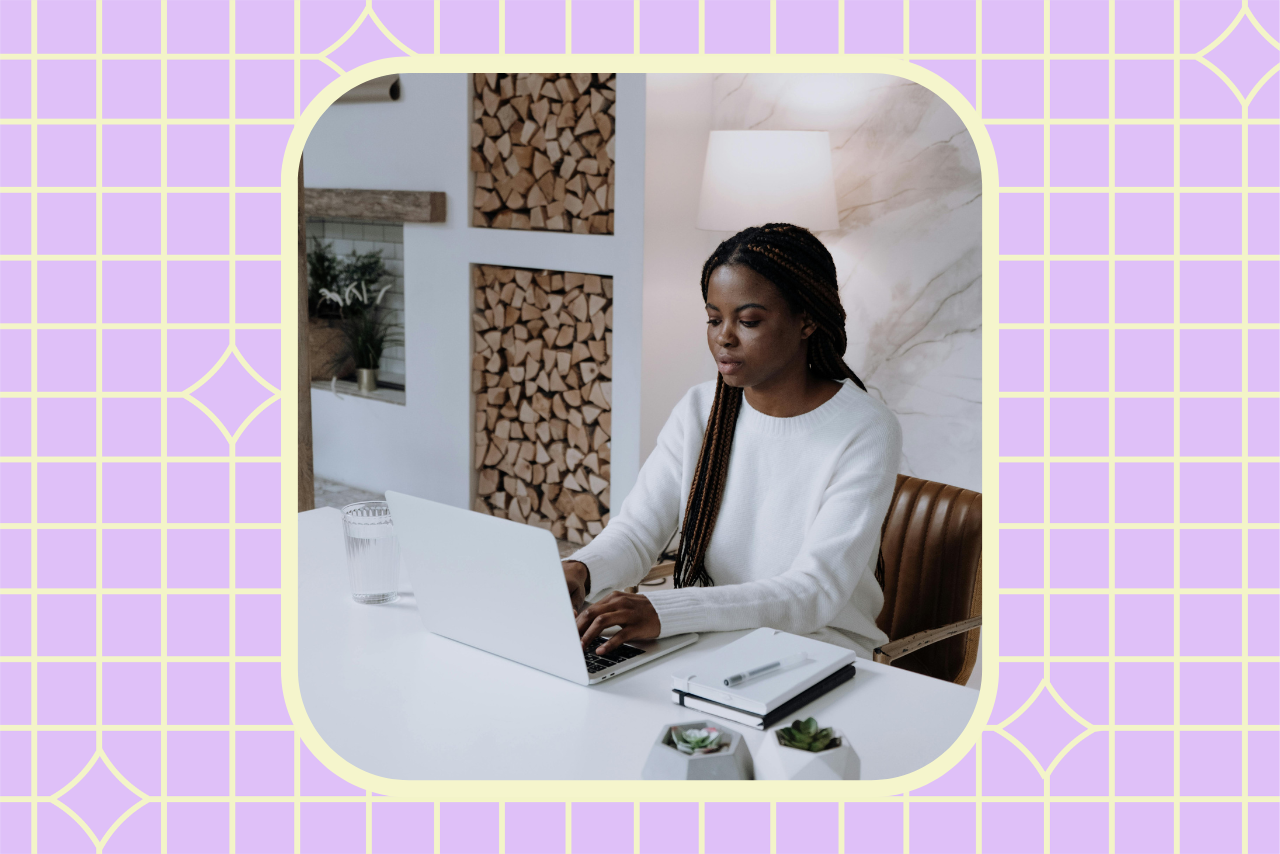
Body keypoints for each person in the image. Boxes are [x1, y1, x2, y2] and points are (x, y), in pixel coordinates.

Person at [563, 222, 903, 661]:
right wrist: (581, 569)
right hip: (706, 640)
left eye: (748, 321)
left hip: (819, 652)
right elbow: (636, 533)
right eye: (713, 319)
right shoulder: (700, 408)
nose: (724, 336)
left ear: (806, 321)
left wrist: (667, 610)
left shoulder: (865, 427)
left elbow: (814, 593)